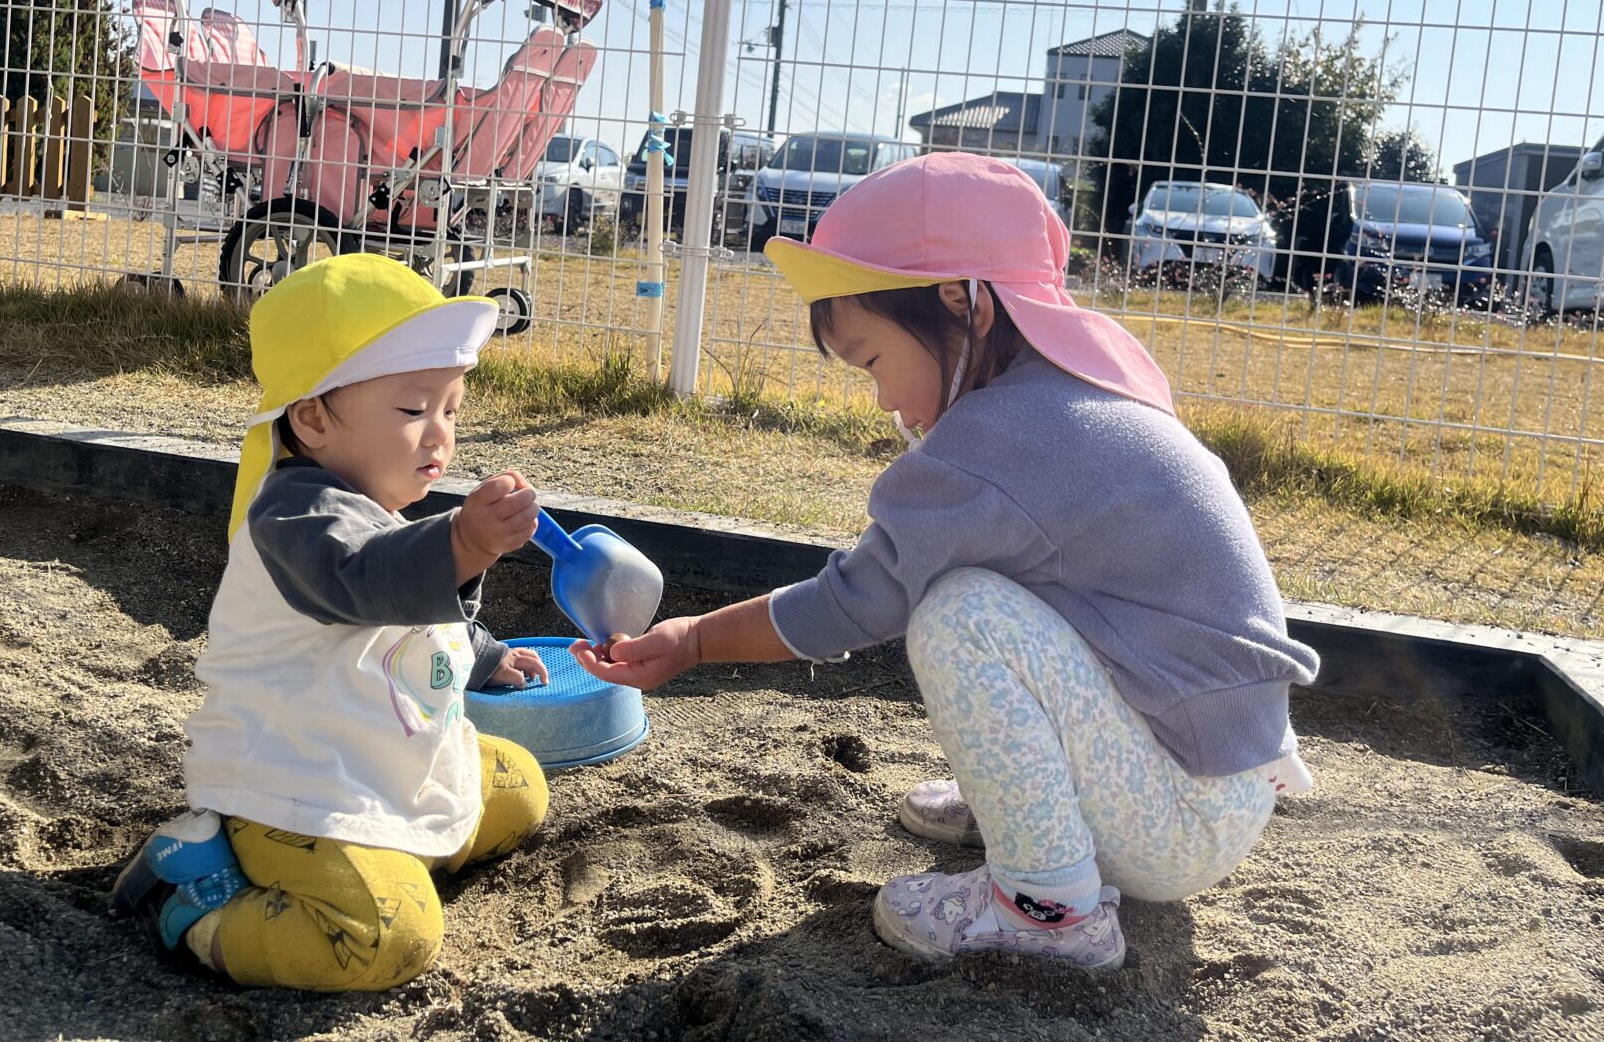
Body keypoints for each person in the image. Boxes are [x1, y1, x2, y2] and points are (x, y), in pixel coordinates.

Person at [577, 153, 1319, 972]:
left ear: (960, 304)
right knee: (995, 594)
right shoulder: (1078, 392)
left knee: (961, 616)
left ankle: (1050, 908)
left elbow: (856, 600)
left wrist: (694, 642)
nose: (882, 397)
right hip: (1217, 777)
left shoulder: (1002, 437)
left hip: (1177, 813)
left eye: (871, 360)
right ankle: (1035, 812)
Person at [113, 253, 549, 991]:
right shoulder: (294, 516)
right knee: (390, 938)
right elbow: (364, 582)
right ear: (312, 416)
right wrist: (466, 542)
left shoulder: (373, 502)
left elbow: (410, 625)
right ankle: (199, 908)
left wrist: (480, 655)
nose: (439, 435)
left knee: (519, 789)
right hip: (297, 783)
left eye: (451, 409)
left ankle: (379, 852)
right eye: (413, 411)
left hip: (377, 757)